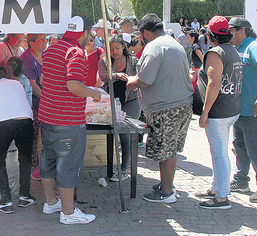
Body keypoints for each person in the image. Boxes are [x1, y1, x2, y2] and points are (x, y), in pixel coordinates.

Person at [39, 16, 102, 225]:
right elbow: (74, 85)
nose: (90, 39)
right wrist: (93, 93)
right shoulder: (75, 52)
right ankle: (68, 212)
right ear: (83, 34)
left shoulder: (51, 50)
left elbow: (43, 80)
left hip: (47, 116)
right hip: (67, 121)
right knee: (68, 164)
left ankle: (50, 202)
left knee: (48, 160)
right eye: (90, 35)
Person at [127, 13, 193, 204]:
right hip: (180, 105)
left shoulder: (155, 47)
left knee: (166, 151)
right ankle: (166, 184)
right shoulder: (173, 43)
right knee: (169, 149)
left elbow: (145, 80)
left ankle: (167, 192)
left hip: (167, 108)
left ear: (145, 32)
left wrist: (131, 81)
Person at [194, 15, 243, 209]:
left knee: (219, 154)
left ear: (210, 35)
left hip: (219, 111)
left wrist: (205, 112)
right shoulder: (234, 51)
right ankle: (216, 188)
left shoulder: (216, 53)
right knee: (218, 152)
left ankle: (222, 197)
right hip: (231, 108)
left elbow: (214, 84)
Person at [0, 62, 36, 214]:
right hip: (26, 121)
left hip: (3, 125)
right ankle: (25, 196)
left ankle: (6, 201)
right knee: (25, 159)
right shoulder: (17, 84)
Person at [99, 34, 140, 181]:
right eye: (111, 48)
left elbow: (139, 76)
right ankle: (115, 166)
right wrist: (116, 75)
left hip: (131, 100)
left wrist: (129, 78)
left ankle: (125, 167)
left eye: (117, 48)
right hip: (112, 102)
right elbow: (103, 76)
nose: (114, 51)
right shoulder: (104, 61)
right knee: (113, 134)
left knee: (126, 133)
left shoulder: (133, 60)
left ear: (124, 47)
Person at [228, 17, 257, 203]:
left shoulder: (253, 47)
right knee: (240, 147)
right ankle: (241, 180)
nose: (228, 34)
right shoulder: (237, 49)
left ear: (242, 30)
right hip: (239, 111)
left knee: (254, 150)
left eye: (231, 30)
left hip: (252, 113)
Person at [20, 33, 47, 180]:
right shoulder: (27, 58)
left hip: (42, 102)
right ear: (31, 43)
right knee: (33, 137)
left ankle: (40, 167)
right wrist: (47, 99)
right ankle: (33, 168)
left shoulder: (44, 55)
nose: (44, 42)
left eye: (45, 39)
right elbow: (32, 84)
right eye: (40, 40)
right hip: (33, 105)